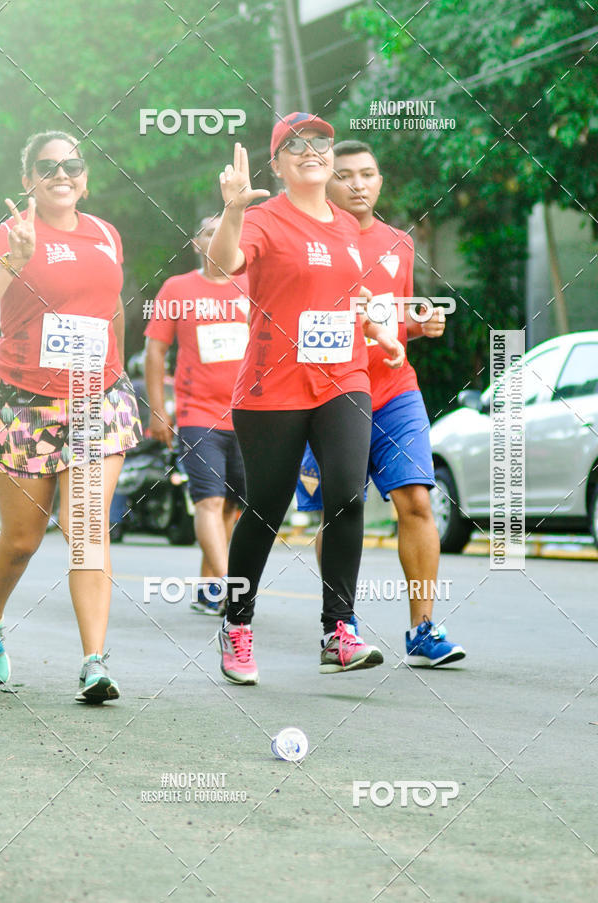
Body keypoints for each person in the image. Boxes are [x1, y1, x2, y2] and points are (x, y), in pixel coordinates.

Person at [208, 113, 405, 685]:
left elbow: (354, 296)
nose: (310, 151)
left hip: (344, 377)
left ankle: (338, 631)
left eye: (318, 142)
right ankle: (237, 624)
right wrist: (233, 208)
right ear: (278, 164)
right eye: (294, 146)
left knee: (346, 495)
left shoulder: (348, 227)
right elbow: (222, 266)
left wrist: (381, 330)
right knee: (267, 508)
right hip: (274, 384)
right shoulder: (263, 219)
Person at [297, 139, 465, 667]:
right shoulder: (308, 242)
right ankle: (339, 627)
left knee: (416, 499)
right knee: (338, 509)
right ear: (327, 183)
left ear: (380, 181)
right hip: (329, 392)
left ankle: (422, 627)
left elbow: (395, 321)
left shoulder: (398, 243)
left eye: (367, 174)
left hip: (394, 388)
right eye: (344, 176)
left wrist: (421, 324)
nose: (357, 185)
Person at [0, 131, 142, 701]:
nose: (63, 173)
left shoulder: (106, 233)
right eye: (48, 166)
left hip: (96, 401)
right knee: (21, 542)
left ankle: (94, 662)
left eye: (73, 164)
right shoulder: (10, 234)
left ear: (86, 176)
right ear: (27, 177)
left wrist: (122, 374)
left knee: (87, 532)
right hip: (27, 406)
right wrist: (15, 259)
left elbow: (113, 310)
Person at [145, 215, 249, 614]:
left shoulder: (253, 286)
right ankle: (231, 587)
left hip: (248, 414)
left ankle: (209, 587)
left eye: (226, 229)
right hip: (197, 413)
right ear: (196, 243)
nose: (219, 236)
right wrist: (158, 411)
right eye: (209, 230)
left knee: (232, 506)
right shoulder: (178, 288)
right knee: (208, 500)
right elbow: (156, 351)